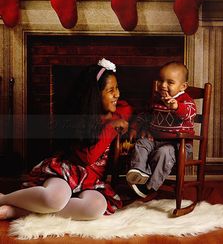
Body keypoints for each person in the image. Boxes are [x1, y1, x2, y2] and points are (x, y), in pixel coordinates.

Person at [0, 58, 133, 220]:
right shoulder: (83, 120)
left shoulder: (119, 112)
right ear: (96, 95)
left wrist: (131, 126)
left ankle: (17, 211)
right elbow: (88, 158)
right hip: (68, 171)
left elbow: (127, 109)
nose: (117, 94)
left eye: (117, 88)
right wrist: (111, 127)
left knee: (96, 208)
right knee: (54, 199)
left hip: (93, 181)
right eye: (110, 90)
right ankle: (3, 199)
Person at [126, 61, 196, 198]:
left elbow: (190, 112)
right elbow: (145, 115)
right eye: (161, 80)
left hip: (178, 146)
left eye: (170, 82)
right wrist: (135, 128)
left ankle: (149, 187)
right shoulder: (156, 99)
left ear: (183, 86)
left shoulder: (186, 101)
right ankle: (139, 172)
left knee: (164, 152)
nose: (163, 85)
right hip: (155, 140)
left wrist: (176, 107)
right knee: (142, 143)